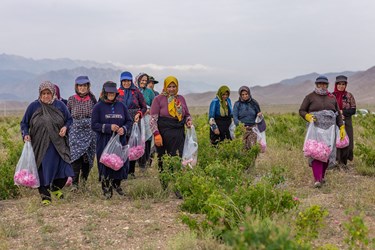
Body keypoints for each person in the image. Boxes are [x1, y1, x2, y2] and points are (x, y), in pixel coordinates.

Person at [20, 81, 74, 205]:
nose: (45, 96)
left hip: (58, 144)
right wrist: (25, 134)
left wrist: (65, 127)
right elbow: (24, 123)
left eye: (48, 93)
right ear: (40, 94)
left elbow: (69, 120)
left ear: (53, 93)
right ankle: (45, 196)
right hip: (39, 144)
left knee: (64, 170)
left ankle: (55, 188)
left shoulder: (60, 105)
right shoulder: (33, 106)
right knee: (42, 170)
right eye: (43, 93)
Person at [299, 75, 345, 188]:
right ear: (316, 84)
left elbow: (338, 114)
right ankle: (317, 179)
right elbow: (301, 110)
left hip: (330, 130)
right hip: (315, 129)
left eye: (324, 84)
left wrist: (341, 127)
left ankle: (322, 177)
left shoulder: (332, 98)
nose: (322, 86)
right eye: (320, 84)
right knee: (316, 152)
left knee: (326, 153)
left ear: (327, 85)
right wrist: (308, 116)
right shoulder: (310, 97)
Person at [150, 76, 193, 193]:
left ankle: (177, 187)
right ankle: (164, 185)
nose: (172, 89)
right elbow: (153, 119)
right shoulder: (158, 99)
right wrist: (156, 134)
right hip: (163, 134)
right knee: (163, 159)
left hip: (178, 133)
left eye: (174, 86)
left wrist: (188, 121)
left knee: (178, 159)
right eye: (169, 86)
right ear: (165, 86)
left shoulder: (181, 99)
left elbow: (187, 115)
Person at [91, 81, 132, 199]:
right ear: (104, 92)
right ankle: (106, 188)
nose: (111, 94)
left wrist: (123, 129)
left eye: (113, 92)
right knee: (105, 163)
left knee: (119, 162)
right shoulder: (98, 107)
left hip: (119, 139)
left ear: (116, 93)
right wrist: (109, 127)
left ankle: (117, 184)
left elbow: (128, 121)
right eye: (108, 92)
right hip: (104, 140)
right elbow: (94, 125)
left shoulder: (121, 106)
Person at [67, 76, 97, 190]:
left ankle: (84, 183)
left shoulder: (92, 100)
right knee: (75, 157)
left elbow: (97, 115)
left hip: (90, 132)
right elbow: (67, 116)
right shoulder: (71, 99)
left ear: (88, 87)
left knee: (87, 158)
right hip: (75, 132)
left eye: (85, 86)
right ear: (76, 87)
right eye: (80, 86)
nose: (82, 88)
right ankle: (74, 184)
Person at [116, 71, 147, 178]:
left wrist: (139, 114)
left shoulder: (137, 92)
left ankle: (131, 171)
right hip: (122, 122)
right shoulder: (117, 92)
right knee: (122, 145)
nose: (126, 83)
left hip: (134, 122)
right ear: (121, 81)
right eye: (124, 81)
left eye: (128, 81)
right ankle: (122, 171)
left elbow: (143, 107)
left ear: (131, 81)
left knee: (133, 145)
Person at [333, 75, 356, 169]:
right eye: (339, 84)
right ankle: (337, 161)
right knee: (337, 141)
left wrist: (343, 112)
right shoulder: (332, 96)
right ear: (336, 84)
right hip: (335, 122)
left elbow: (353, 110)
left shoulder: (349, 95)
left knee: (348, 142)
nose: (341, 86)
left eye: (343, 84)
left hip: (347, 121)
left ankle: (344, 162)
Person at [135, 73, 155, 170]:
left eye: (145, 80)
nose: (143, 82)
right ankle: (136, 162)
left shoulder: (150, 92)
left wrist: (148, 110)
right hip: (137, 118)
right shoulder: (134, 91)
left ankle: (145, 163)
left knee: (147, 139)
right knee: (137, 138)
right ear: (138, 80)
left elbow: (155, 106)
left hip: (147, 119)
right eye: (142, 80)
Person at [233, 86, 262, 150]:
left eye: (246, 94)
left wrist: (260, 115)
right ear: (240, 95)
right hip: (241, 129)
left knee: (252, 146)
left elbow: (259, 115)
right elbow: (235, 117)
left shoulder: (254, 103)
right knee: (242, 148)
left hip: (252, 129)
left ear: (249, 94)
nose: (244, 96)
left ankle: (252, 160)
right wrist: (241, 126)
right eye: (242, 95)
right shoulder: (237, 104)